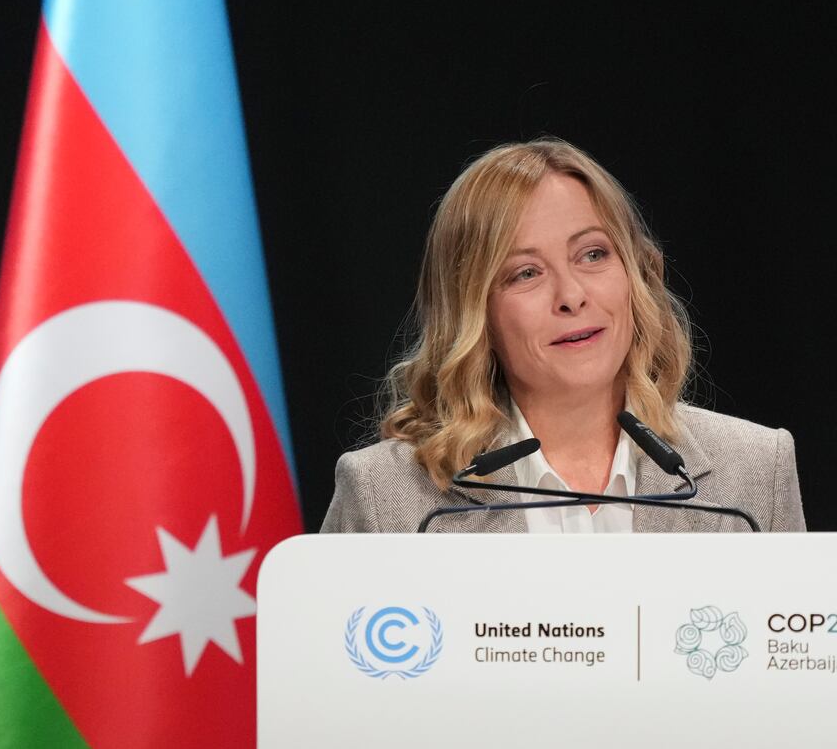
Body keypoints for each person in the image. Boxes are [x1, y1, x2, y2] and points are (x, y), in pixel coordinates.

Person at [321, 138, 805, 533]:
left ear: (635, 273)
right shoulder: (386, 494)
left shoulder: (756, 472)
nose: (571, 296)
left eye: (593, 254)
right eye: (525, 273)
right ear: (473, 311)